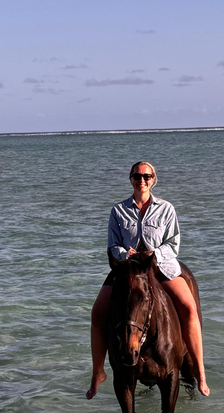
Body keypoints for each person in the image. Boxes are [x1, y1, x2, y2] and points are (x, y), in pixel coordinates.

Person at [86, 161, 210, 399]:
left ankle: (199, 370)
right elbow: (113, 245)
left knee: (188, 307)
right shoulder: (118, 211)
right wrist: (125, 254)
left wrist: (153, 255)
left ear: (154, 179)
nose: (141, 180)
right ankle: (98, 371)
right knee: (97, 311)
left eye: (146, 176)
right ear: (130, 179)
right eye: (137, 176)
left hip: (161, 267)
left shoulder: (166, 209)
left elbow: (173, 244)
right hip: (127, 269)